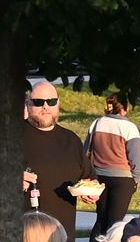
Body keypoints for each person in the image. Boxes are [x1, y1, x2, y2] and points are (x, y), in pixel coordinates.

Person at [20, 79, 89, 233]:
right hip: (24, 234)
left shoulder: (71, 139)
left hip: (60, 235)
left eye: (51, 101)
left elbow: (89, 178)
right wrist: (10, 179)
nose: (45, 107)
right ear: (27, 103)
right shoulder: (12, 137)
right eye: (38, 102)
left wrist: (90, 193)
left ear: (58, 103)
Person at [84, 94, 140, 239]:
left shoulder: (97, 123)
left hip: (99, 176)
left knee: (101, 218)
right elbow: (136, 159)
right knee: (115, 224)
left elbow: (86, 151)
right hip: (122, 179)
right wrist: (135, 180)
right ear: (125, 108)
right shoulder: (129, 127)